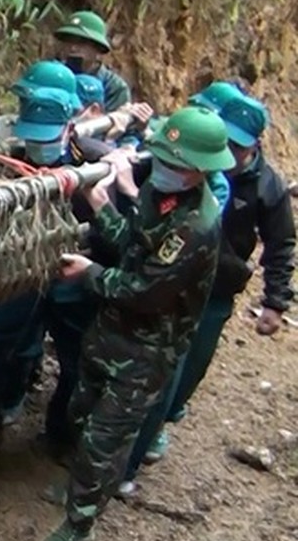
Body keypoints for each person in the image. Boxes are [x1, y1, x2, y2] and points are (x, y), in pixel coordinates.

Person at [37, 107, 233, 541]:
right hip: (112, 333)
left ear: (198, 171)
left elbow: (143, 290)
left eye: (171, 161)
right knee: (81, 412)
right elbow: (134, 243)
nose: (159, 166)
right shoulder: (161, 196)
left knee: (103, 439)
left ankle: (79, 524)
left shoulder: (195, 227)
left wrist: (90, 274)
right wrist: (103, 204)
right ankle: (84, 489)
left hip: (147, 348)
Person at [122, 93, 294, 483]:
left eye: (238, 145)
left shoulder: (267, 188)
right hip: (168, 281)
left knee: (187, 371)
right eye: (225, 142)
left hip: (215, 290)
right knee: (158, 371)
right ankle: (122, 456)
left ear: (254, 144)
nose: (230, 152)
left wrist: (275, 301)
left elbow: (281, 243)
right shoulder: (187, 162)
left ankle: (151, 434)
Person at [0, 88, 122, 454]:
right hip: (24, 273)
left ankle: (63, 435)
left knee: (79, 358)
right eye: (32, 137)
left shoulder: (99, 165)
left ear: (68, 129)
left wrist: (93, 266)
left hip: (77, 277)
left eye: (47, 137)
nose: (38, 147)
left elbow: (121, 238)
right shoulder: (11, 161)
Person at [54, 10, 131, 111]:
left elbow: (118, 122)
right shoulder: (52, 74)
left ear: (98, 49)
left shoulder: (113, 86)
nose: (73, 48)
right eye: (69, 41)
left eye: (81, 43)